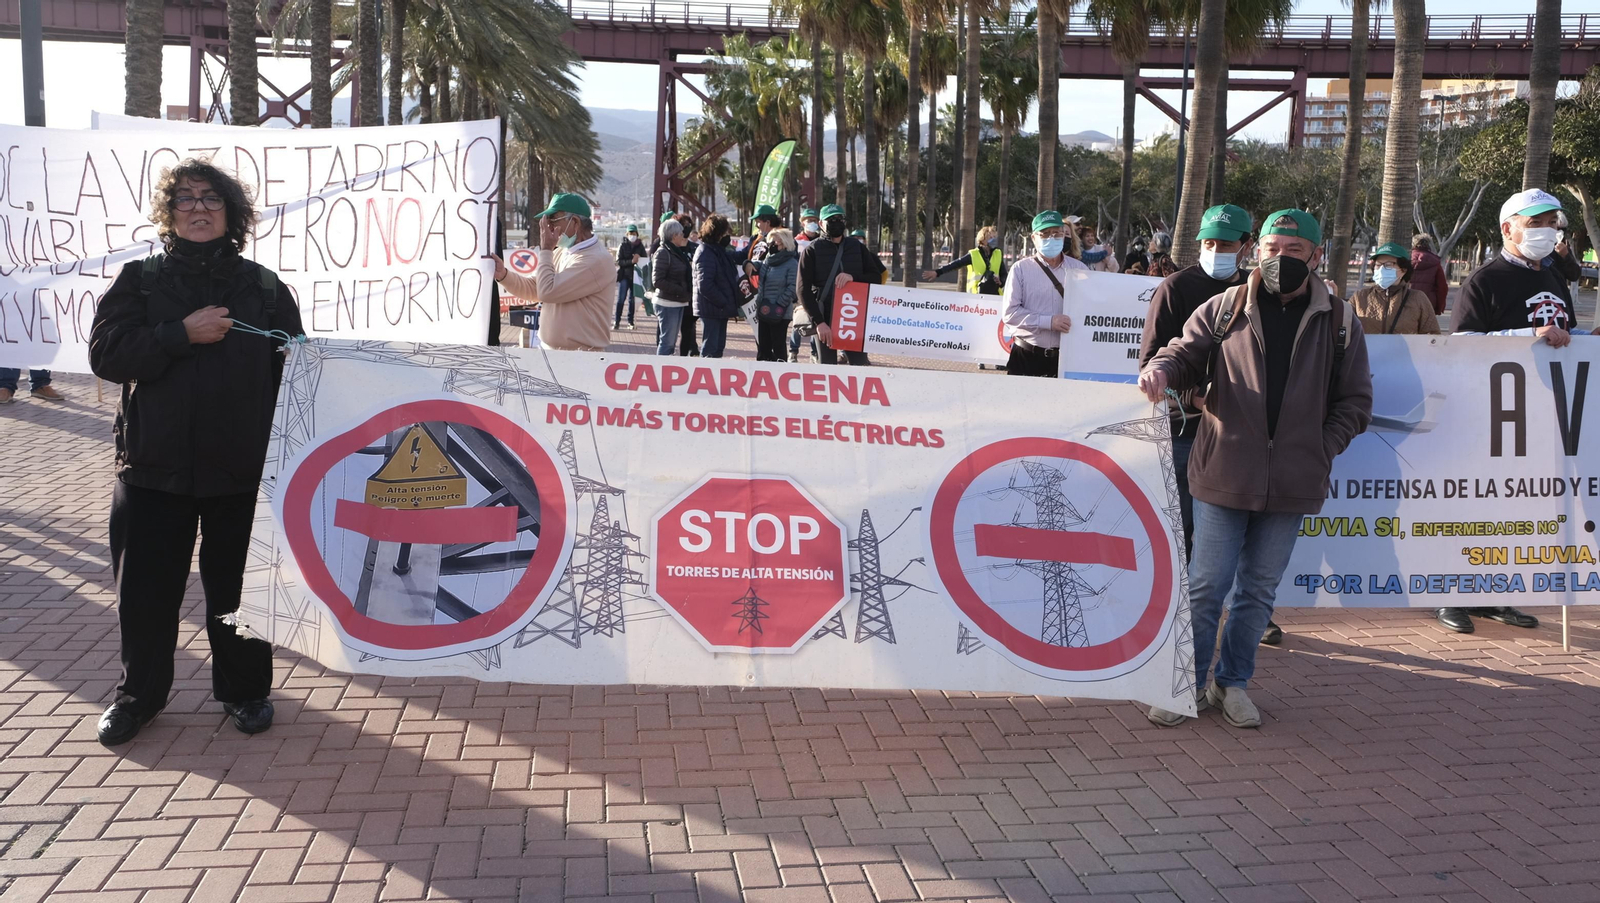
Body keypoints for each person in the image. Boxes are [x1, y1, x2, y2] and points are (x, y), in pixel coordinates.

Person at [86, 159, 301, 746]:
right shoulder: (140, 280)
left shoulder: (263, 287)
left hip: (241, 471)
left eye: (210, 198)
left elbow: (298, 370)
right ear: (169, 212)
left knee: (240, 594)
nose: (198, 207)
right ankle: (138, 698)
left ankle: (245, 691)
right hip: (153, 471)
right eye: (184, 199)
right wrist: (180, 334)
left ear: (231, 213)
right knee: (145, 596)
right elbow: (107, 355)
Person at [1139, 209, 1373, 728]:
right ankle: (1188, 684)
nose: (1279, 259)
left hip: (1294, 482)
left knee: (1258, 594)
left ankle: (1232, 683)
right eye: (1271, 249)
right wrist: (1160, 371)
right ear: (1256, 251)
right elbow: (1179, 352)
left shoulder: (1339, 320)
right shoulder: (1225, 307)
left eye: (1293, 251)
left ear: (1315, 256)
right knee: (1205, 586)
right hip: (1224, 471)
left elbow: (1355, 402)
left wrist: (1318, 446)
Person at [1436, 188, 1581, 635]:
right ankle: (1451, 594)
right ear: (1508, 228)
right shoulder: (1485, 280)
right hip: (1488, 418)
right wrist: (1530, 334)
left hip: (1543, 415)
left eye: (1552, 223)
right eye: (1535, 223)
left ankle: (1496, 594)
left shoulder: (1555, 276)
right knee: (1474, 507)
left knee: (1518, 506)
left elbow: (1567, 337)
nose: (1547, 232)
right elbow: (1461, 347)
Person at [1139, 204, 1254, 558]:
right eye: (1209, 243)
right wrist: (1195, 398)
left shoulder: (1257, 290)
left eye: (1226, 245)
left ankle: (1240, 612)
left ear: (1246, 246)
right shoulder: (1175, 288)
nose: (1216, 251)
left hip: (1240, 435)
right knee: (1180, 535)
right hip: (1185, 433)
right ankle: (1182, 613)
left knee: (1237, 540)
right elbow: (1151, 362)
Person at [492, 193, 613, 352]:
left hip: (581, 357)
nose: (547, 228)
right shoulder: (561, 253)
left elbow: (547, 291)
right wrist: (504, 275)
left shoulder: (597, 260)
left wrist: (546, 249)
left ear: (575, 222)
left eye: (553, 221)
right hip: (553, 352)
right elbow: (535, 287)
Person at [1001, 211, 1088, 378]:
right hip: (1026, 357)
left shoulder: (1080, 270)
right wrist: (1048, 321)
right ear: (1034, 238)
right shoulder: (1020, 269)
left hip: (1065, 360)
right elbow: (1010, 313)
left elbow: (1090, 310)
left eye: (1056, 233)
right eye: (1045, 234)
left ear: (1064, 236)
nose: (1051, 238)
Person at [798, 205, 887, 366]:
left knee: (860, 366)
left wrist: (853, 277)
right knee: (828, 368)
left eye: (840, 219)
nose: (836, 223)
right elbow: (802, 290)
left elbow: (876, 277)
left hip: (854, 317)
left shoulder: (857, 247)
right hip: (826, 318)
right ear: (821, 224)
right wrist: (819, 322)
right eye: (831, 220)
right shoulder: (812, 250)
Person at [1351, 242, 1440, 337]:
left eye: (1388, 265)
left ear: (1403, 270)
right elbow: (1342, 325)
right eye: (1378, 264)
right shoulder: (1359, 297)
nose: (1381, 269)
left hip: (1405, 352)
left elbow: (1432, 335)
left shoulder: (1418, 298)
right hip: (1367, 352)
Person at [692, 214, 742, 358]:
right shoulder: (705, 252)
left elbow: (737, 258)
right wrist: (724, 301)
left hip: (719, 309)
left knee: (718, 348)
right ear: (717, 234)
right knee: (710, 350)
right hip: (712, 309)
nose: (727, 236)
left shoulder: (717, 251)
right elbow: (705, 285)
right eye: (725, 233)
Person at [749, 228, 800, 361]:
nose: (772, 246)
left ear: (785, 244)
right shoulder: (768, 260)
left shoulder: (792, 263)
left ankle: (780, 373)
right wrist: (747, 264)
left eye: (776, 243)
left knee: (778, 346)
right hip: (764, 309)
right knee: (763, 347)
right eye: (771, 243)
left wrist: (779, 303)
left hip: (780, 312)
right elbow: (757, 266)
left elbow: (793, 287)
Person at [651, 219, 694, 356]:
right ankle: (660, 371)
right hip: (668, 302)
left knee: (670, 342)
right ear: (674, 235)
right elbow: (657, 281)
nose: (683, 236)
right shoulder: (663, 252)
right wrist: (681, 290)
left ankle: (663, 370)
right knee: (667, 343)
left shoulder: (675, 251)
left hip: (677, 301)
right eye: (681, 233)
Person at [923, 225, 1006, 294]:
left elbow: (1004, 274)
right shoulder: (973, 254)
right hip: (976, 295)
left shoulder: (998, 253)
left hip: (995, 296)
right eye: (990, 237)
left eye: (994, 237)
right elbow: (955, 264)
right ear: (983, 238)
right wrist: (937, 272)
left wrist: (1001, 282)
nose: (993, 240)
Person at [676, 213, 702, 357]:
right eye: (683, 226)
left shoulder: (695, 248)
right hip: (677, 293)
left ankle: (689, 353)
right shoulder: (673, 249)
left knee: (688, 327)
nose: (686, 229)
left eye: (688, 226)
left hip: (693, 294)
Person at [614, 224, 647, 329]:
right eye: (630, 233)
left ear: (637, 234)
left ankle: (630, 321)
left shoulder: (640, 246)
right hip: (624, 275)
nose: (632, 235)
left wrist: (639, 258)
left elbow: (644, 260)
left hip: (636, 277)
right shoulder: (622, 245)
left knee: (632, 300)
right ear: (627, 234)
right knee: (621, 299)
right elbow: (619, 261)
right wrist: (631, 261)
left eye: (634, 233)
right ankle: (617, 321)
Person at [1409, 234, 1450, 316]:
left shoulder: (1406, 259)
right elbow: (1442, 288)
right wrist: (1439, 308)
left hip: (1407, 302)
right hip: (1428, 304)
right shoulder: (1435, 262)